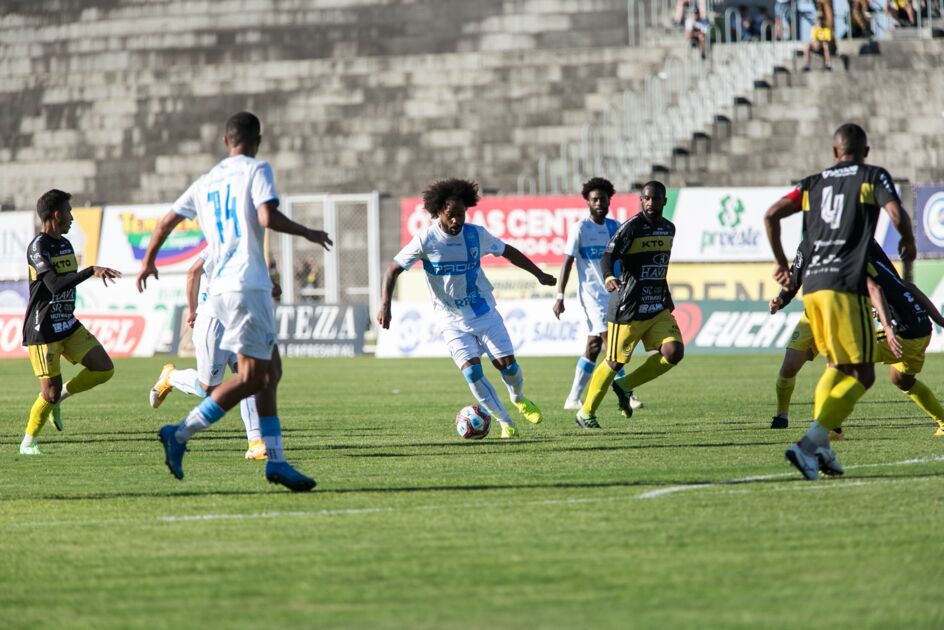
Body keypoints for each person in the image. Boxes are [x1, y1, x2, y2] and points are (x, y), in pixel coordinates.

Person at [137, 111, 332, 491]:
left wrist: (148, 262)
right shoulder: (256, 169)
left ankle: (276, 461)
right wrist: (307, 231)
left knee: (270, 374)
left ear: (226, 142)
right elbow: (266, 215)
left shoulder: (205, 182)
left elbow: (164, 223)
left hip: (223, 289)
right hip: (246, 286)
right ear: (256, 140)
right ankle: (179, 434)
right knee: (250, 378)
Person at [765, 122, 916, 480]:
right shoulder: (871, 176)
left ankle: (823, 448)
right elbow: (895, 213)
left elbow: (771, 215)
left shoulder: (811, 184)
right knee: (863, 375)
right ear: (866, 150)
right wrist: (907, 239)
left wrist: (782, 264)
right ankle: (808, 444)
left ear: (835, 152)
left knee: (836, 367)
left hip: (813, 287)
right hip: (846, 284)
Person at [377, 178, 555, 439]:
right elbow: (393, 270)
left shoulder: (475, 235)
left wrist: (538, 274)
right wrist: (385, 305)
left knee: (508, 367)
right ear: (438, 211)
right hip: (450, 320)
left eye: (460, 214)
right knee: (472, 372)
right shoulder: (426, 240)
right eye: (450, 215)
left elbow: (508, 251)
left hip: (484, 313)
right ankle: (506, 423)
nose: (456, 221)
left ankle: (518, 399)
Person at [769, 240, 944, 436]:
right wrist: (940, 320)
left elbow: (880, 287)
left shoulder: (858, 252)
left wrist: (887, 325)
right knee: (901, 379)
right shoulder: (813, 245)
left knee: (841, 364)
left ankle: (831, 428)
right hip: (920, 329)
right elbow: (904, 286)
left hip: (885, 327)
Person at [575, 181, 684, 429]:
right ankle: (586, 412)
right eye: (646, 198)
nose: (651, 203)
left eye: (656, 199)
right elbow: (607, 255)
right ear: (641, 200)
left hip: (656, 305)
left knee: (674, 352)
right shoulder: (632, 227)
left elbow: (658, 264)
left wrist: (665, 292)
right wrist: (609, 277)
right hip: (628, 307)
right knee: (614, 362)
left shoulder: (669, 229)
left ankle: (625, 385)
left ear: (664, 201)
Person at [19, 189, 121, 455]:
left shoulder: (65, 244)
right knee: (47, 394)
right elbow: (53, 285)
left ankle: (61, 396)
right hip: (44, 329)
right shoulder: (38, 247)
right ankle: (28, 442)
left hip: (67, 322)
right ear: (56, 214)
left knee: (104, 369)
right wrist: (91, 271)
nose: (72, 217)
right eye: (69, 212)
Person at [148, 248, 274, 461]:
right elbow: (192, 272)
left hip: (237, 320)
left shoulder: (243, 241)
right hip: (214, 321)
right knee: (207, 389)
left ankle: (255, 443)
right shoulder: (222, 242)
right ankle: (171, 377)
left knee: (249, 377)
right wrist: (193, 309)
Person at [553, 177, 643, 412]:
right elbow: (567, 261)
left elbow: (625, 258)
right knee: (610, 342)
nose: (599, 203)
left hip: (616, 294)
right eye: (595, 200)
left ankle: (572, 398)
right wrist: (560, 296)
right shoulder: (580, 228)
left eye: (603, 199)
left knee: (593, 346)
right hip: (592, 296)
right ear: (588, 202)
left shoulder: (615, 227)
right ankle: (627, 392)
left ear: (609, 201)